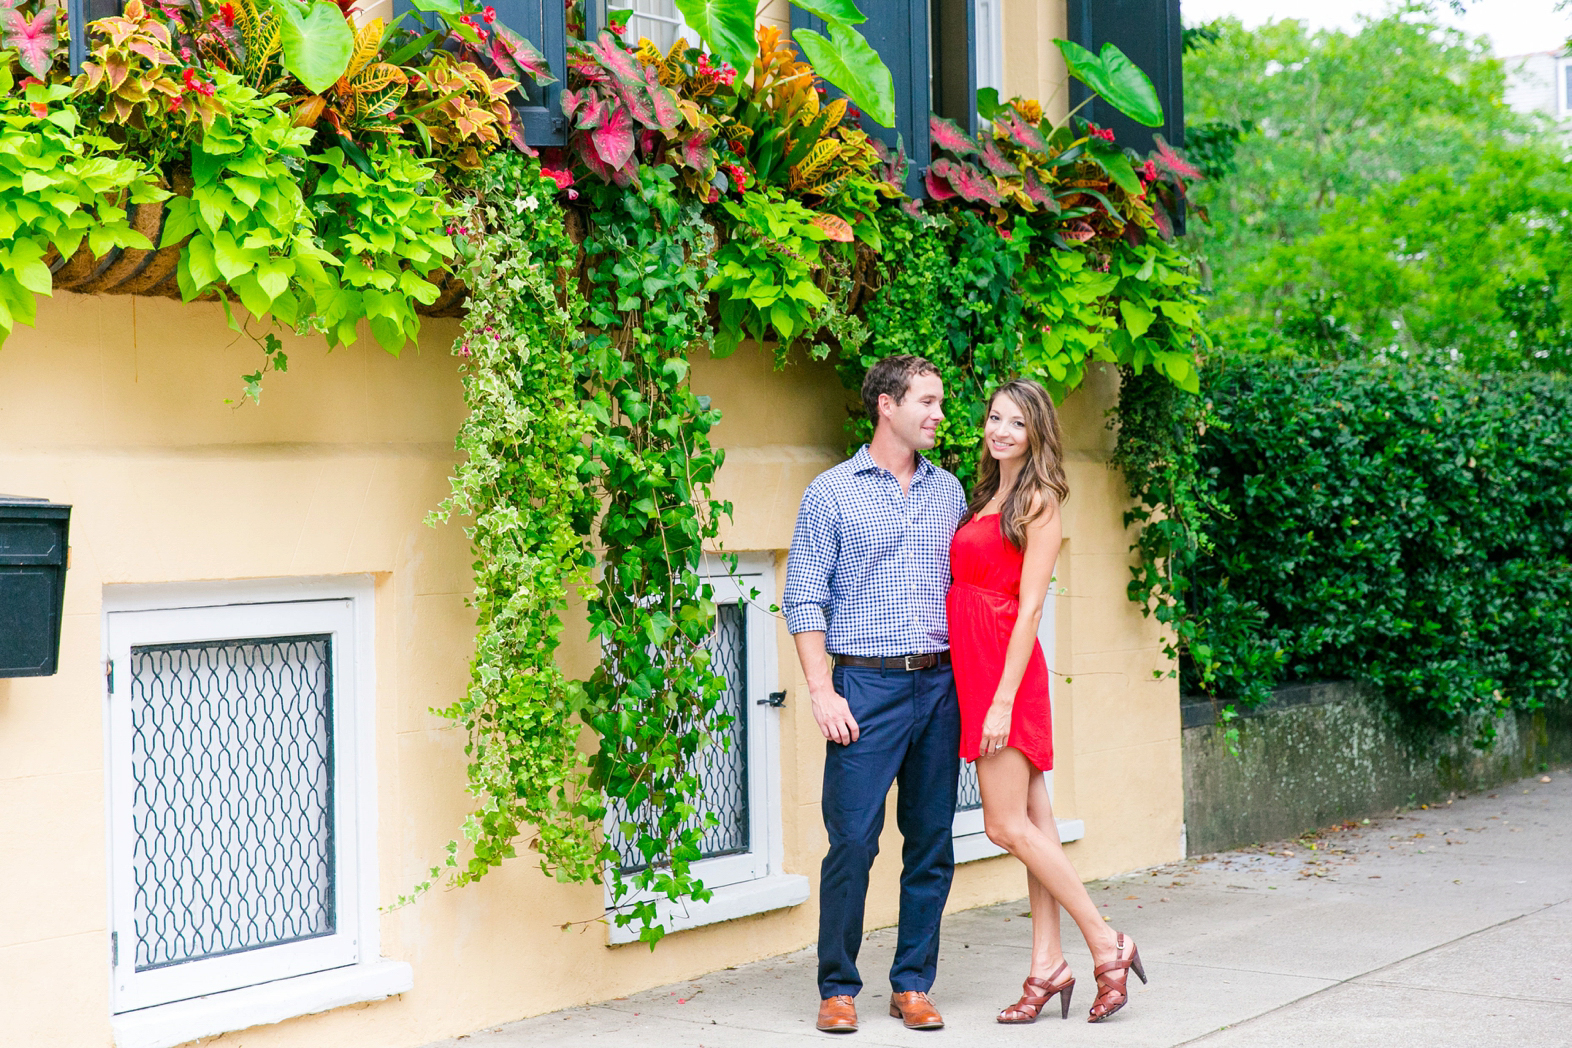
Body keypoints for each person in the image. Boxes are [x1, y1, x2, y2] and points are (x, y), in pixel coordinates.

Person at [946, 378, 1147, 1024]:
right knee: (1036, 826)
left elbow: (1032, 604)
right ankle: (1046, 964)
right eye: (994, 418)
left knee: (1005, 826)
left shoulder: (1038, 499)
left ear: (1036, 433)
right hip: (978, 668)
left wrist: (1001, 700)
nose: (1000, 430)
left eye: (1015, 422)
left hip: (1006, 673)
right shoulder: (988, 495)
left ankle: (1106, 942)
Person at [783, 355, 967, 1034]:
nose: (939, 414)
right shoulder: (831, 493)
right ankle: (838, 987)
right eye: (927, 401)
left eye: (941, 402)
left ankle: (913, 984)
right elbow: (803, 597)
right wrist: (822, 691)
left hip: (941, 684)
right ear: (887, 405)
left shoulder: (949, 493)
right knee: (854, 841)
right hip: (864, 685)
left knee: (931, 841)